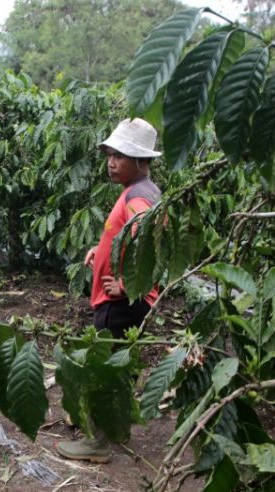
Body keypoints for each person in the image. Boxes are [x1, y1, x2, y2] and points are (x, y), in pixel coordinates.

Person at [58, 118, 162, 464]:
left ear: (141, 160)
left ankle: (97, 444)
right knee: (117, 367)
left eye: (120, 156)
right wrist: (101, 249)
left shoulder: (139, 198)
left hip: (121, 304)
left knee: (104, 370)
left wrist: (128, 284)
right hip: (125, 302)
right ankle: (114, 428)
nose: (111, 162)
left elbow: (151, 245)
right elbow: (125, 236)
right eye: (110, 155)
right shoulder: (138, 190)